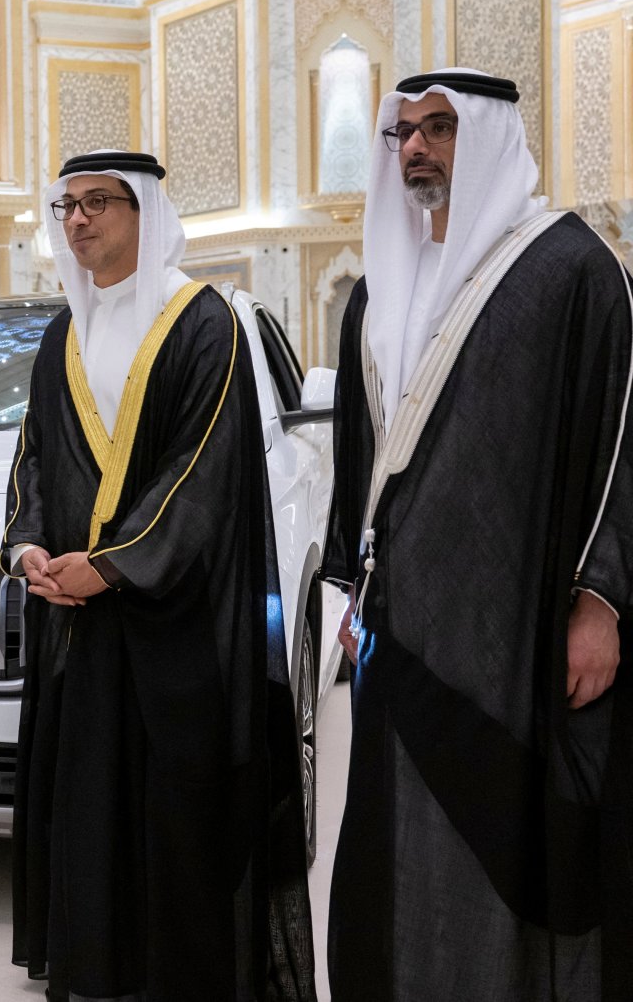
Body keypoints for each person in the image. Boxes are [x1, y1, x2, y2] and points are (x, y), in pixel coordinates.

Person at [324, 68, 633, 999]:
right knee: (396, 843)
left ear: (491, 136)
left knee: (505, 842)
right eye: (405, 132)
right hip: (403, 635)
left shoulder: (571, 269)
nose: (416, 147)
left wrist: (605, 599)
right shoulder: (379, 290)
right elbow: (357, 457)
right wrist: (352, 585)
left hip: (517, 633)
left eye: (440, 128)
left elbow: (624, 440)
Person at [3, 151, 316, 1001]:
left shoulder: (202, 320)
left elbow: (202, 469)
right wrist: (27, 544)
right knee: (92, 799)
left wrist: (111, 567)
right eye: (68, 205)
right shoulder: (64, 329)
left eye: (99, 203)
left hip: (169, 615)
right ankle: (100, 960)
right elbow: (34, 455)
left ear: (145, 211)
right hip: (74, 612)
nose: (78, 220)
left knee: (169, 803)